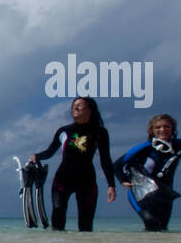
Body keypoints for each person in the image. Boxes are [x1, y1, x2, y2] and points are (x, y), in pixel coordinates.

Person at [29, 96, 116, 231]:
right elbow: (50, 151)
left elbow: (105, 160)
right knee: (58, 219)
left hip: (87, 181)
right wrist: (37, 156)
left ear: (90, 110)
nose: (75, 108)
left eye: (80, 105)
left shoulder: (100, 133)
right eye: (73, 105)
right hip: (63, 179)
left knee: (86, 226)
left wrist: (111, 185)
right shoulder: (64, 131)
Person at [114, 114, 181, 231]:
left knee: (163, 229)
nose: (162, 130)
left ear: (173, 128)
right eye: (158, 127)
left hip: (164, 194)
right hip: (141, 194)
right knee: (151, 224)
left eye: (166, 126)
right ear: (152, 130)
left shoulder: (180, 145)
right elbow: (117, 164)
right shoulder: (145, 148)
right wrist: (123, 181)